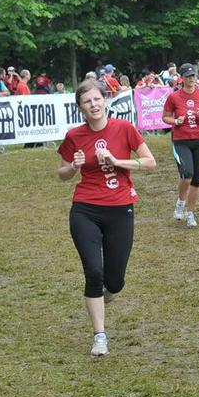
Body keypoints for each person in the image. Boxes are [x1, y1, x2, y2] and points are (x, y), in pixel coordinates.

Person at [57, 81, 157, 356]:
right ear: (80, 107)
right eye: (87, 101)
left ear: (105, 100)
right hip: (85, 209)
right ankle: (99, 336)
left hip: (120, 208)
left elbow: (150, 162)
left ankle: (106, 293)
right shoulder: (74, 135)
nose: (93, 104)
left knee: (114, 281)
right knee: (93, 272)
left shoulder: (124, 128)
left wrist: (118, 161)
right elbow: (61, 174)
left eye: (97, 99)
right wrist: (73, 166)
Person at [162, 64, 199, 227]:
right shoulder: (174, 97)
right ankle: (180, 202)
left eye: (193, 75)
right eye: (188, 76)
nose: (191, 79)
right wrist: (175, 121)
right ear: (182, 78)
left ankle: (190, 213)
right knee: (187, 175)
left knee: (196, 180)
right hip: (181, 141)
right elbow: (165, 117)